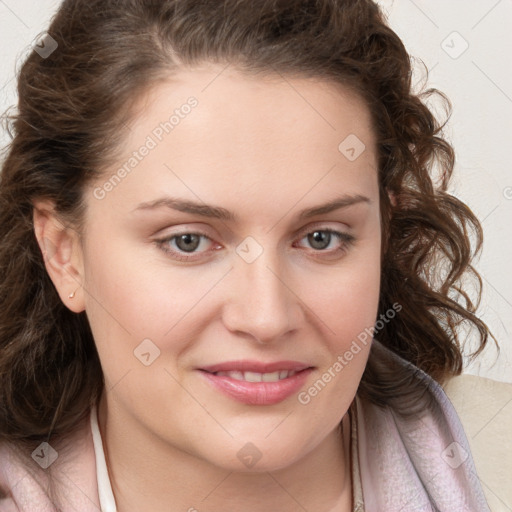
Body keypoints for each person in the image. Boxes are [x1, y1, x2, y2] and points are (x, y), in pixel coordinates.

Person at [0, 0, 501, 510]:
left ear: (384, 233)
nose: (266, 318)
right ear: (65, 254)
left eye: (322, 237)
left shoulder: (496, 456)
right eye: (188, 240)